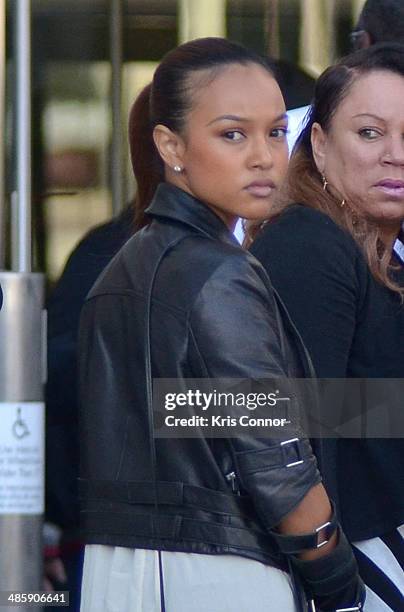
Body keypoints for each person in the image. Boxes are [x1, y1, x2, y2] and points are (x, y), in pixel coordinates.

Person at [78, 38, 364, 612]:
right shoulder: (216, 275)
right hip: (215, 571)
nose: (263, 156)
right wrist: (338, 580)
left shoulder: (129, 264)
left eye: (277, 132)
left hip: (125, 568)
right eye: (233, 134)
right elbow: (275, 462)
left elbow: (185, 412)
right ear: (171, 144)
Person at [250, 43, 404, 612]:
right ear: (317, 144)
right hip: (350, 568)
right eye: (369, 133)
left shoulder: (376, 251)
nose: (395, 155)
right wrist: (332, 581)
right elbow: (289, 421)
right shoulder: (310, 244)